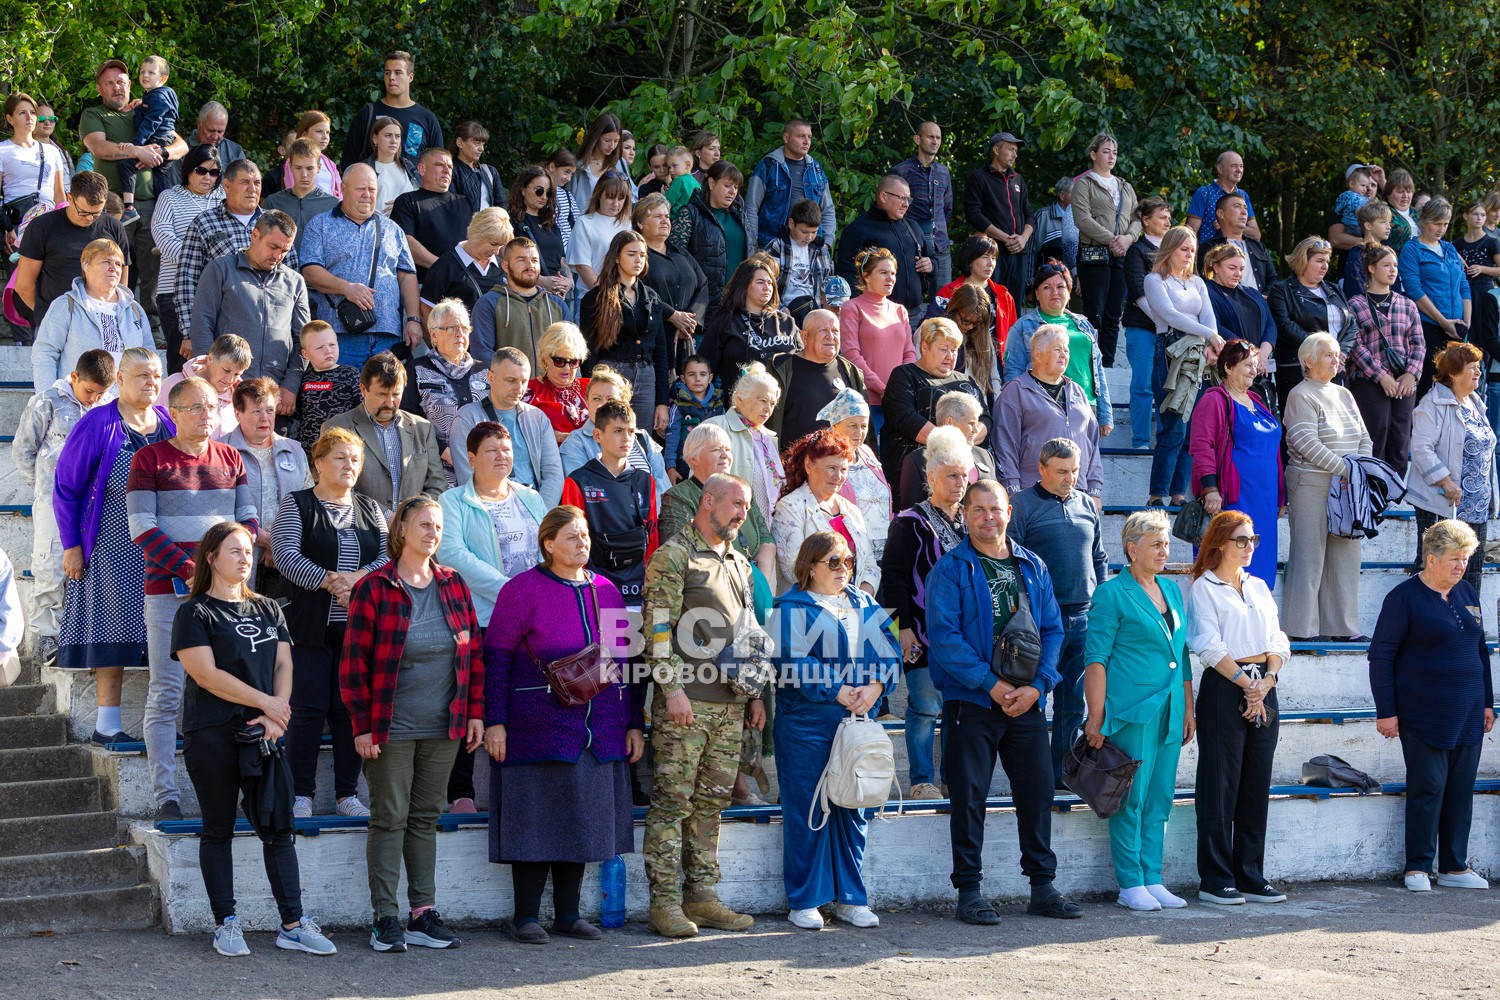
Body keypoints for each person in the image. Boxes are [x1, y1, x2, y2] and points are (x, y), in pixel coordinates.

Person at [172, 521, 337, 958]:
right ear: (210, 558)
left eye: (248, 550)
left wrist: (276, 718)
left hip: (265, 733)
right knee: (218, 828)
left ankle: (293, 924)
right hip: (212, 734)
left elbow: (285, 665)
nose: (245, 558)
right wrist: (269, 703)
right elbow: (207, 675)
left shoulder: (268, 608)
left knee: (279, 827)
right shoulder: (194, 612)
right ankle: (226, 923)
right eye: (234, 551)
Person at [482, 504, 641, 943]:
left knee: (582, 821)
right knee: (535, 823)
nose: (582, 543)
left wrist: (634, 724)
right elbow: (496, 660)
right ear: (548, 544)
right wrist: (495, 721)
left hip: (600, 729)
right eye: (572, 536)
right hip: (536, 725)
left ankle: (568, 915)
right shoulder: (521, 590)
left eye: (585, 535)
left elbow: (627, 663)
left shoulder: (608, 590)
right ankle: (526, 917)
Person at [926, 479, 1081, 924]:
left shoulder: (1032, 565)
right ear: (966, 515)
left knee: (1035, 793)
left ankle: (1042, 887)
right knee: (970, 796)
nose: (987, 517)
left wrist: (1039, 686)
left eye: (995, 509)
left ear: (1009, 511)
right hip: (971, 703)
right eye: (978, 510)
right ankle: (969, 891)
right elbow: (945, 639)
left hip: (1027, 702)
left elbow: (1053, 630)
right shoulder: (952, 568)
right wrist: (990, 685)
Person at [340, 496, 484, 952]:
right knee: (389, 819)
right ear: (401, 529)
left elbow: (473, 654)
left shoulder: (453, 584)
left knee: (424, 818)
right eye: (423, 524)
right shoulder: (375, 587)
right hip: (390, 727)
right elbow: (352, 664)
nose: (432, 533)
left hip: (445, 724)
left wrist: (475, 712)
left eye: (438, 526)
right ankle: (385, 919)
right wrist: (362, 726)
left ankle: (422, 914)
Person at [129, 375, 258, 821]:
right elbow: (142, 527)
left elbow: (248, 521)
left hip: (226, 598)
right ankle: (165, 794)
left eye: (211, 407)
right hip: (169, 593)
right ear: (175, 412)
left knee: (233, 691)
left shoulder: (231, 458)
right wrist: (196, 571)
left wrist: (226, 570)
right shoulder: (149, 460)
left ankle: (241, 793)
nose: (206, 415)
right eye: (196, 408)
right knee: (166, 692)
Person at [640, 473, 763, 938]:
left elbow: (748, 633)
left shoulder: (737, 559)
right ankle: (665, 903)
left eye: (747, 507)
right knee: (672, 805)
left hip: (729, 706)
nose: (741, 514)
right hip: (686, 704)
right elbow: (656, 631)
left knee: (710, 807)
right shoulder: (675, 556)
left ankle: (703, 897)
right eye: (736, 504)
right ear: (707, 500)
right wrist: (670, 690)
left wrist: (754, 696)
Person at [773, 530, 899, 929]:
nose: (843, 569)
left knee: (855, 810)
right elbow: (788, 662)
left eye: (848, 561)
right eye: (833, 562)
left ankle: (850, 898)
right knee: (807, 810)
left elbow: (892, 654)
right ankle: (805, 899)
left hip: (857, 723)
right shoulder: (789, 607)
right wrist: (838, 689)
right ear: (809, 567)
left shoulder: (865, 603)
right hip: (806, 726)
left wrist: (876, 687)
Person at [1370, 518, 1495, 894]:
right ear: (1431, 558)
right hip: (1422, 711)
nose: (1461, 566)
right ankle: (1418, 866)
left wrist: (1488, 702)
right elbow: (1381, 657)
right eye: (1455, 559)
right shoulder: (1403, 598)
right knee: (1429, 786)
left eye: (1466, 559)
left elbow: (1480, 651)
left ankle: (1455, 866)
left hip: (1469, 711)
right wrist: (1386, 711)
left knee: (1460, 788)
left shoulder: (1466, 594)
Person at [51, 348, 169, 739]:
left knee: (166, 633)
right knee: (110, 629)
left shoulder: (168, 421)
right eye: (142, 376)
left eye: (156, 376)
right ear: (119, 380)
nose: (151, 383)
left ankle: (165, 723)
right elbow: (66, 488)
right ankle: (108, 725)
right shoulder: (99, 423)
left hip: (161, 548)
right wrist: (72, 545)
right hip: (109, 544)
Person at [271, 426, 386, 820]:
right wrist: (330, 581)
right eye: (340, 457)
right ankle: (300, 793)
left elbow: (387, 559)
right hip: (309, 627)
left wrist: (354, 581)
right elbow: (284, 554)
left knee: (349, 711)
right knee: (307, 708)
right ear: (318, 462)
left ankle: (347, 795)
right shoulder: (297, 504)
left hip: (359, 629)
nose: (349, 465)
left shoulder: (371, 509)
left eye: (355, 459)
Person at [1081, 510, 1192, 911]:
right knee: (1131, 797)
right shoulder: (1111, 594)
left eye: (1166, 543)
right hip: (1130, 711)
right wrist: (1096, 716)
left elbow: (1181, 654)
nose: (1164, 551)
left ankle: (1153, 877)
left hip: (1169, 709)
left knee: (1160, 795)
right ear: (1132, 548)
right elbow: (1095, 659)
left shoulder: (1173, 591)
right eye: (1156, 544)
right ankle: (1130, 884)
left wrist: (1188, 706)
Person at [1187, 510, 1292, 906]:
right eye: (1241, 540)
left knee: (1254, 783)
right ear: (1219, 544)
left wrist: (1266, 682)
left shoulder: (1260, 586)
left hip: (1264, 685)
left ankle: (1250, 873)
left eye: (1253, 540)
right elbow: (1208, 644)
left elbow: (1277, 640)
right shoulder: (1204, 587)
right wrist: (1247, 684)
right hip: (1226, 685)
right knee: (1220, 783)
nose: (1249, 547)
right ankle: (1215, 878)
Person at [1010, 438, 1108, 788]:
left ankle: (1061, 775)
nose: (1070, 478)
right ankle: (1032, 775)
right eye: (1062, 471)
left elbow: (1099, 558)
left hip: (1084, 617)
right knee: (1035, 700)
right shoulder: (1021, 505)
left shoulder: (1086, 505)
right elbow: (1012, 564)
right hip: (1041, 622)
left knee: (1072, 705)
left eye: (1075, 471)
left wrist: (1103, 603)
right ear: (1041, 468)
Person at [880, 427, 971, 799]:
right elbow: (894, 578)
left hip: (962, 635)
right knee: (924, 705)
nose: (960, 482)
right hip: (919, 629)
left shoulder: (970, 523)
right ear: (931, 478)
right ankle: (921, 780)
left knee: (958, 711)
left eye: (964, 475)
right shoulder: (908, 522)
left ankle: (952, 778)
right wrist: (901, 629)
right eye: (952, 475)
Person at [16, 349, 114, 664]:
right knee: (50, 563)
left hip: (95, 503)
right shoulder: (47, 402)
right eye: (89, 391)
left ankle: (77, 634)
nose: (93, 399)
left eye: (101, 393)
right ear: (74, 377)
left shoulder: (107, 408)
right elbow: (24, 449)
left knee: (86, 566)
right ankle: (47, 637)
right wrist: (46, 491)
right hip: (52, 500)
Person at [79, 58, 188, 326]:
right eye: (110, 83)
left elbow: (182, 145)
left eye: (121, 82)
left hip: (152, 203)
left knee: (154, 269)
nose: (117, 87)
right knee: (111, 265)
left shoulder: (146, 108)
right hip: (114, 204)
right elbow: (99, 148)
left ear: (130, 85)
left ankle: (151, 328)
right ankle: (109, 321)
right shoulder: (94, 114)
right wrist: (135, 150)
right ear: (99, 88)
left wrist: (162, 152)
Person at [1281, 333, 1373, 641]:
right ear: (1308, 360)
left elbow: (1364, 437)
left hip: (1348, 485)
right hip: (1311, 482)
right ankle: (1301, 628)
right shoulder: (1300, 394)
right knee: (1309, 554)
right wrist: (1347, 469)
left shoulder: (1344, 393)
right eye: (1328, 355)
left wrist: (1360, 470)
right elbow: (1306, 443)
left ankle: (1343, 628)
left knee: (1347, 556)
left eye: (1337, 355)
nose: (1337, 360)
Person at [300, 163, 422, 368]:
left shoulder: (393, 229)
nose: (367, 194)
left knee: (386, 399)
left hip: (387, 336)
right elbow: (310, 271)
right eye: (360, 189)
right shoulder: (320, 224)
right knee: (341, 399)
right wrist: (346, 288)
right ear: (344, 189)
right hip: (338, 337)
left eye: (372, 189)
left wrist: (414, 319)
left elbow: (407, 276)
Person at [1189, 340, 1285, 587]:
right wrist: (1210, 488)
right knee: (1229, 563)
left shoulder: (1258, 401)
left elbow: (1273, 452)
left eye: (1255, 365)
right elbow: (1202, 446)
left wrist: (1281, 496)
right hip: (1233, 497)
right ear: (1229, 367)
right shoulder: (1214, 400)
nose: (1254, 371)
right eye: (1247, 365)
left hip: (1264, 500)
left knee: (1259, 568)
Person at [189, 211, 309, 407]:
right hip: (227, 392)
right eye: (273, 247)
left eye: (285, 251)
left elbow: (303, 341)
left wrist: (291, 385)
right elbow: (202, 324)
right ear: (255, 235)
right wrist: (209, 379)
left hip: (276, 394)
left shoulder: (295, 282)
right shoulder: (220, 269)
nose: (278, 256)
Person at [1139, 226, 1220, 505]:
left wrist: (1211, 342)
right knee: (1173, 425)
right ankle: (1157, 493)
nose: (1189, 255)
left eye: (1192, 250)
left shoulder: (1197, 282)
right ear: (1170, 249)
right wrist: (1209, 335)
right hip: (1170, 352)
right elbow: (1170, 316)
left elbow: (1209, 316)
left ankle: (1177, 494)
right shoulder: (1154, 279)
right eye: (1184, 249)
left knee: (1193, 426)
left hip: (1198, 354)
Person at [173, 160, 298, 338]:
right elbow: (186, 280)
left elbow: (291, 278)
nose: (252, 189)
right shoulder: (204, 223)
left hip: (271, 331)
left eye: (257, 183)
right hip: (222, 329)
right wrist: (190, 334)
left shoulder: (276, 223)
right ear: (227, 185)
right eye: (245, 182)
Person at [1408, 342, 1496, 592]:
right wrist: (1446, 482)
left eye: (1479, 367)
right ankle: (1422, 625)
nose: (1478, 372)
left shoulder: (1476, 403)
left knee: (1472, 569)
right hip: (1443, 501)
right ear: (1454, 372)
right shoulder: (1432, 404)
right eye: (1472, 367)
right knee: (1434, 565)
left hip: (1477, 504)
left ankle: (1468, 627)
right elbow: (1421, 448)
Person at [561, 398, 661, 605]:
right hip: (596, 587)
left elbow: (652, 535)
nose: (626, 438)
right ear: (597, 435)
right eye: (618, 431)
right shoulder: (578, 481)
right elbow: (572, 539)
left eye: (631, 431)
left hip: (639, 586)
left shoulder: (645, 480)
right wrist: (583, 583)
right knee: (611, 637)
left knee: (647, 637)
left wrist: (651, 582)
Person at [880, 317, 989, 505]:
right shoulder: (904, 375)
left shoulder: (966, 381)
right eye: (943, 349)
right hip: (916, 475)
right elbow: (906, 418)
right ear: (924, 347)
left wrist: (970, 436)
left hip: (963, 481)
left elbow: (986, 418)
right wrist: (956, 444)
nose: (950, 356)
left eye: (954, 350)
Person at [323, 353, 446, 517]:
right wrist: (385, 516)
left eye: (396, 394)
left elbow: (437, 484)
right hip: (360, 528)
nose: (389, 403)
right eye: (382, 394)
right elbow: (334, 485)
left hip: (411, 531)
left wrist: (410, 516)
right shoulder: (337, 427)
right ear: (363, 389)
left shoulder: (422, 428)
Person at [994, 325, 1104, 506]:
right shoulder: (1016, 391)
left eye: (1066, 350)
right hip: (1034, 494)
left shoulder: (1078, 391)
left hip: (1078, 494)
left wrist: (1094, 489)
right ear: (1037, 355)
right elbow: (1004, 446)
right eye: (1057, 349)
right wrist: (1012, 490)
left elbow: (1092, 444)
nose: (1064, 355)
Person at [1000, 261, 1113, 434]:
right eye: (1046, 287)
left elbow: (1097, 370)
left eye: (1061, 286)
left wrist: (1105, 414)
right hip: (1044, 406)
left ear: (1069, 292)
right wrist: (1015, 413)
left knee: (1087, 461)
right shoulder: (1022, 327)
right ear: (1036, 293)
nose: (1055, 292)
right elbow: (1013, 372)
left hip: (1087, 406)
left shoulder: (1084, 324)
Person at [659, 423, 776, 586]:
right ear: (694, 458)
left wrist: (758, 586)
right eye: (716, 450)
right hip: (707, 590)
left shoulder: (744, 491)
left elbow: (766, 540)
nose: (725, 456)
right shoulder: (678, 497)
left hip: (751, 586)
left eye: (727, 449)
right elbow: (679, 553)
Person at [14, 171, 131, 332]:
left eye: (97, 213)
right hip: (55, 323)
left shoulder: (113, 227)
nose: (90, 218)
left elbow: (121, 279)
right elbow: (23, 285)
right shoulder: (42, 226)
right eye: (83, 212)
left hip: (103, 320)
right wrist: (51, 314)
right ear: (69, 198)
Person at [31, 237, 152, 391]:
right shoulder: (66, 305)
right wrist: (48, 398)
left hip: (126, 405)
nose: (114, 268)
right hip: (78, 404)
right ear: (86, 265)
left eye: (118, 264)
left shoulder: (134, 309)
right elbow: (45, 353)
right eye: (106, 262)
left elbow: (149, 358)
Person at [581, 230, 671, 433]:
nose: (638, 260)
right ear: (616, 257)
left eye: (642, 254)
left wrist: (662, 401)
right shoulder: (595, 299)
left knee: (641, 436)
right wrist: (592, 390)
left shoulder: (653, 298)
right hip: (610, 375)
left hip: (646, 376)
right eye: (631, 254)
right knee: (609, 433)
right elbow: (589, 352)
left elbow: (660, 353)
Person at [225, 378, 312, 589]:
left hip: (290, 558)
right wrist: (265, 540)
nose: (265, 418)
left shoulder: (294, 449)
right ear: (237, 413)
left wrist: (280, 543)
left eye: (270, 410)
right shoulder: (222, 451)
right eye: (256, 411)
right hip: (237, 557)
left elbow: (308, 503)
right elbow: (221, 509)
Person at [448, 347, 564, 502]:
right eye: (511, 380)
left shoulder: (537, 418)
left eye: (524, 381)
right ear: (490, 377)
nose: (519, 389)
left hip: (536, 507)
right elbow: (468, 478)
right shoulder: (467, 418)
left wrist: (542, 516)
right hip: (489, 508)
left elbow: (553, 474)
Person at [1347, 242, 1424, 474]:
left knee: (1400, 439)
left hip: (1404, 381)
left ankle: (1396, 495)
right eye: (1386, 265)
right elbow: (1355, 345)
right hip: (1368, 380)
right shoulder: (1355, 304)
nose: (1393, 270)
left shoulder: (1407, 304)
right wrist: (1381, 376)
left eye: (1395, 266)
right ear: (1371, 268)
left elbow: (1418, 343)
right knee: (1375, 434)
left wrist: (1411, 374)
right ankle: (1372, 492)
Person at [772, 428, 877, 595]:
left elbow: (870, 566)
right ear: (808, 466)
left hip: (856, 609)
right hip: (810, 612)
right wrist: (841, 597)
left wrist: (861, 598)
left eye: (843, 469)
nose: (838, 476)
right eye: (831, 468)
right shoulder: (790, 507)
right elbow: (794, 570)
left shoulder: (852, 510)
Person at [151, 145, 225, 373]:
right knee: (181, 361)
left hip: (218, 292)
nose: (207, 177)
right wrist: (202, 261)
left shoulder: (224, 199)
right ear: (188, 170)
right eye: (201, 171)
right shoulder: (169, 197)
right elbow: (163, 238)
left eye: (213, 173)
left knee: (216, 361)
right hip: (173, 291)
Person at [399, 298, 488, 484]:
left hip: (484, 469)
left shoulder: (485, 372)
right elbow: (406, 419)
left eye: (465, 329)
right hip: (435, 471)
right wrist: (441, 449)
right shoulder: (417, 370)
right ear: (433, 335)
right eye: (452, 328)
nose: (460, 334)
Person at [1071, 133, 1140, 367]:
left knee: (1113, 314)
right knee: (1095, 313)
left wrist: (1128, 238)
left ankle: (1108, 365)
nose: (1112, 156)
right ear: (1093, 154)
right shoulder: (1083, 183)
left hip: (1121, 256)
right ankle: (1090, 365)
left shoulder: (1125, 186)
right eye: (1106, 151)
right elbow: (1082, 219)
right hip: (1094, 255)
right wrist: (1113, 239)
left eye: (1115, 152)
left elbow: (1138, 218)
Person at [559, 364, 671, 500]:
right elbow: (582, 492)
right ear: (586, 402)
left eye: (611, 399)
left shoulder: (642, 438)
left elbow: (663, 487)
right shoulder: (576, 443)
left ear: (624, 403)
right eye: (596, 398)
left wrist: (648, 516)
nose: (603, 405)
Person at [1270, 236, 1355, 412]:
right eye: (1319, 261)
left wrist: (1341, 353)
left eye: (1327, 261)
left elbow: (1352, 325)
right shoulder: (1282, 290)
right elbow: (1285, 326)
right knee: (1300, 426)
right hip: (1298, 368)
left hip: (1335, 368)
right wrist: (1322, 351)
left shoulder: (1334, 289)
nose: (1325, 266)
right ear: (1303, 260)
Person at [1399, 197, 1472, 398]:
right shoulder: (1411, 250)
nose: (1441, 229)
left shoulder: (1449, 248)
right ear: (1423, 221)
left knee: (1455, 384)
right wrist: (1442, 321)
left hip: (1457, 329)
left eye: (1446, 224)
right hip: (1428, 326)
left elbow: (1464, 286)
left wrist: (1466, 322)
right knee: (1428, 383)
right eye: (1437, 223)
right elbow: (1414, 290)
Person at [839, 247, 914, 438]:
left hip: (899, 400)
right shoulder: (851, 307)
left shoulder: (900, 310)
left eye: (893, 273)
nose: (890, 278)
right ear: (866, 276)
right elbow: (851, 355)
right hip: (868, 401)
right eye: (883, 273)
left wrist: (900, 388)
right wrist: (882, 389)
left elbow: (909, 353)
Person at [836, 174, 931, 321]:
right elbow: (847, 273)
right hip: (876, 315)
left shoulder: (913, 227)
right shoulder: (858, 229)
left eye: (908, 199)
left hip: (914, 315)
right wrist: (859, 310)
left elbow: (934, 260)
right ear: (883, 196)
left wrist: (930, 265)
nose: (906, 204)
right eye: (902, 198)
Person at [700, 253, 799, 396]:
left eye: (770, 283)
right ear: (744, 286)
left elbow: (803, 364)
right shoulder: (725, 322)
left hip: (786, 406)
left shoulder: (787, 322)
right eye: (760, 282)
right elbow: (704, 367)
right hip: (741, 407)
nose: (767, 287)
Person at [702, 362, 785, 527]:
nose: (768, 409)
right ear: (740, 398)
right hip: (730, 532)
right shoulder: (716, 428)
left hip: (767, 534)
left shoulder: (768, 438)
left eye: (772, 403)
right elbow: (701, 487)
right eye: (763, 400)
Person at [927, 234, 1019, 378]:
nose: (990, 263)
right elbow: (931, 331)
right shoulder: (948, 292)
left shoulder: (1004, 296)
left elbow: (1013, 337)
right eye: (984, 257)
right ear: (970, 260)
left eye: (993, 258)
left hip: (994, 364)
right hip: (955, 360)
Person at [635, 193, 709, 366]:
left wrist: (690, 321)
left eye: (667, 216)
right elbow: (638, 289)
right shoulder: (638, 257)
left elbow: (703, 285)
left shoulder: (682, 253)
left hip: (685, 336)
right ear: (640, 223)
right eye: (657, 216)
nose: (665, 221)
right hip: (654, 336)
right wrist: (672, 315)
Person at [822, 387, 893, 565]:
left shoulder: (866, 452)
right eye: (852, 425)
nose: (859, 432)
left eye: (863, 426)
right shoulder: (827, 458)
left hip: (884, 550)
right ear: (835, 425)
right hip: (851, 554)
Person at [1122, 198, 1172, 449]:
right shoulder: (1136, 251)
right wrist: (1165, 320)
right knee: (1143, 384)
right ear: (1145, 220)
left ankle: (1165, 440)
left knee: (1167, 386)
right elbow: (1138, 293)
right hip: (1142, 327)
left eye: (1168, 217)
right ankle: (1140, 440)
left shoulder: (1175, 251)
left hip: (1171, 330)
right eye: (1162, 216)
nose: (1167, 221)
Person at [470, 236, 566, 367]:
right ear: (505, 265)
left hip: (548, 387)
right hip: (509, 386)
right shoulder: (489, 303)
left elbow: (569, 352)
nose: (530, 265)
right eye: (521, 260)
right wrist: (515, 377)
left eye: (534, 260)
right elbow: (481, 353)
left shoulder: (557, 305)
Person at [339, 49, 444, 169]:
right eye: (387, 73)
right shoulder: (368, 114)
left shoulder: (427, 118)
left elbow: (437, 166)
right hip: (373, 186)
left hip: (413, 186)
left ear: (410, 77)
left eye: (398, 72)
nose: (391, 77)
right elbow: (349, 163)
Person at [963, 132, 1033, 304]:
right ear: (996, 150)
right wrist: (1004, 237)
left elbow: (1030, 215)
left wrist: (1023, 239)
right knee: (990, 302)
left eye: (1016, 150)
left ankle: (1013, 333)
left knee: (1014, 303)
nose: (1015, 154)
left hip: (1019, 252)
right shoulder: (979, 177)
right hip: (993, 253)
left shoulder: (1018, 179)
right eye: (1010, 149)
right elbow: (973, 214)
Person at [744, 119, 837, 249]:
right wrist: (752, 244)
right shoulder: (768, 165)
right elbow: (751, 208)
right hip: (772, 246)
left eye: (809, 137)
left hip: (810, 248)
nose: (806, 141)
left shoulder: (816, 170)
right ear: (786, 138)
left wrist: (826, 243)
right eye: (801, 136)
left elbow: (827, 209)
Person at [669, 160, 750, 309]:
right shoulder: (690, 213)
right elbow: (675, 258)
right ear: (711, 183)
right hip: (701, 303)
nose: (733, 191)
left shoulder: (741, 216)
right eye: (727, 185)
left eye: (736, 187)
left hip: (738, 300)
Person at [898, 390, 996, 504]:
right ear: (949, 422)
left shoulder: (985, 456)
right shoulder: (917, 460)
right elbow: (912, 514)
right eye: (971, 423)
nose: (976, 430)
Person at [114, 56, 179, 222]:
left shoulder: (158, 97)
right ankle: (167, 214)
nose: (145, 75)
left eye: (151, 72)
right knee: (160, 178)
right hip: (163, 140)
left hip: (159, 140)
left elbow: (151, 122)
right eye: (142, 72)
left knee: (126, 164)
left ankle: (129, 208)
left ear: (162, 78)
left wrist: (137, 145)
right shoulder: (157, 95)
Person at [391, 148, 470, 282]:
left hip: (463, 282)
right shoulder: (407, 201)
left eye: (450, 166)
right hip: (422, 283)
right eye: (439, 165)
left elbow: (475, 241)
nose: (446, 170)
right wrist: (445, 268)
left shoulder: (465, 202)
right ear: (422, 169)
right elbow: (404, 242)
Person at [891, 121, 955, 287]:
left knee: (943, 303)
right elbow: (893, 211)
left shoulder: (943, 171)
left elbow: (947, 209)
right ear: (917, 139)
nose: (935, 141)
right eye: (930, 137)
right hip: (910, 247)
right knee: (910, 299)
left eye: (938, 138)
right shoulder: (901, 171)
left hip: (940, 245)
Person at [0, 92, 69, 245]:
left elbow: (59, 193)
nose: (29, 117)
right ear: (10, 118)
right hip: (16, 226)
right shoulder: (3, 150)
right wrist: (7, 227)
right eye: (22, 113)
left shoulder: (52, 151)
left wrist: (65, 228)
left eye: (32, 113)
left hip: (50, 224)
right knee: (20, 269)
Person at [418, 206, 508, 321]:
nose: (496, 251)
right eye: (493, 244)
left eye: (501, 245)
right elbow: (427, 312)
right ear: (477, 234)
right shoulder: (445, 266)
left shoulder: (503, 267)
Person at [760, 198, 838, 325]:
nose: (809, 237)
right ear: (791, 224)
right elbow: (766, 281)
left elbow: (828, 284)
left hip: (815, 312)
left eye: (814, 232)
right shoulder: (777, 247)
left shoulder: (821, 251)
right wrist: (779, 309)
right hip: (783, 312)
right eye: (804, 231)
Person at [1203, 244, 1276, 376]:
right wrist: (1250, 352)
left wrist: (1263, 355)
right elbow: (1215, 327)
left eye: (1242, 269)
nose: (1238, 274)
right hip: (1231, 366)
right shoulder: (1206, 292)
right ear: (1216, 267)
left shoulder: (1253, 293)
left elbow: (1270, 325)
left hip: (1260, 365)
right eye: (1232, 268)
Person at [163, 333, 252, 440]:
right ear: (210, 359)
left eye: (237, 374)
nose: (230, 380)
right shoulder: (174, 384)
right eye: (226, 370)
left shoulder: (241, 398)